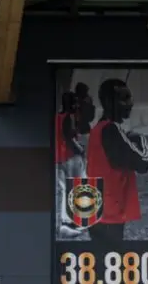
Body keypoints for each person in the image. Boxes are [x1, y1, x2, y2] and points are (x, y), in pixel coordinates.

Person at [86, 78, 148, 242]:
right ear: (109, 102)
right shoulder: (111, 129)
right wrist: (141, 140)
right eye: (124, 98)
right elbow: (143, 163)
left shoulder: (99, 128)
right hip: (109, 214)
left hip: (96, 210)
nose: (130, 103)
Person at [55, 83, 95, 237]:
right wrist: (81, 149)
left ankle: (66, 221)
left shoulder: (57, 117)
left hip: (59, 158)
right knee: (79, 186)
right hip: (71, 157)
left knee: (63, 188)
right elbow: (70, 137)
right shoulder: (69, 117)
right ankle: (81, 219)